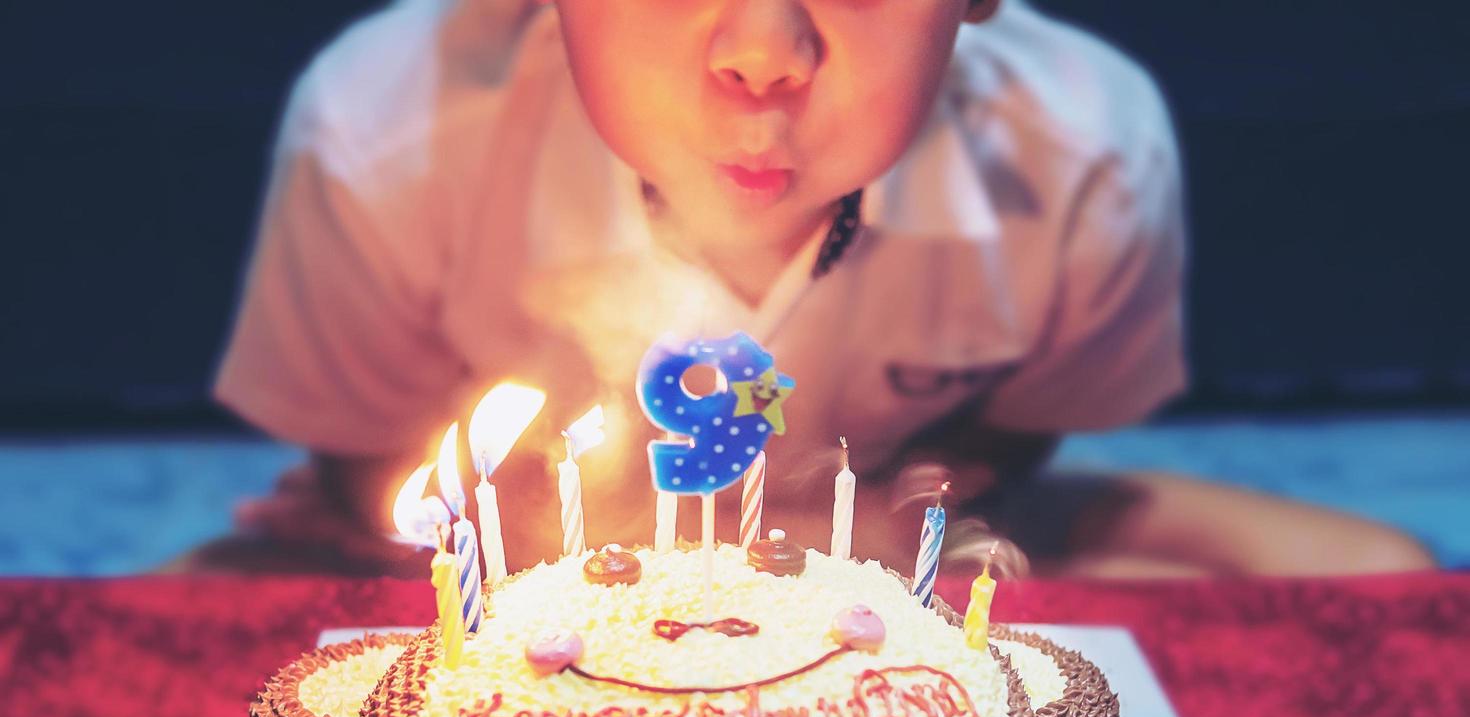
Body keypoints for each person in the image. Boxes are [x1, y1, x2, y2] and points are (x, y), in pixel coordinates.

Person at [203, 0, 1434, 578]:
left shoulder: (1081, 147)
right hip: (516, 555)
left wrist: (919, 512)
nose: (762, 55)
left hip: (895, 519)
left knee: (1377, 571)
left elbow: (1017, 422)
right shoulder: (387, 130)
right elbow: (359, 460)